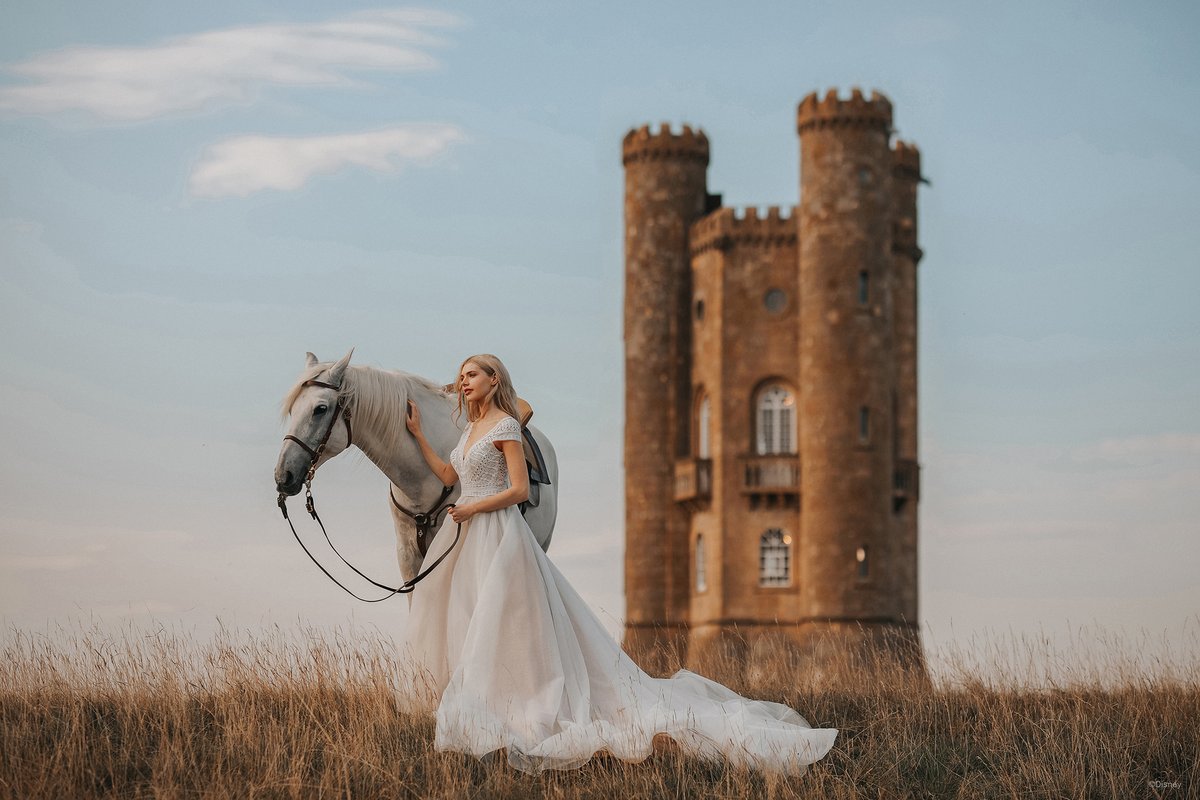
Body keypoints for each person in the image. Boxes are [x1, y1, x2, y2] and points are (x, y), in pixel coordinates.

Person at [401, 353, 838, 775]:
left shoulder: (505, 425)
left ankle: (519, 708)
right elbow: (449, 477)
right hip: (467, 536)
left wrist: (474, 508)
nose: (464, 381)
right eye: (462, 375)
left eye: (473, 374)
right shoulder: (470, 429)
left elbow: (519, 490)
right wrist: (418, 435)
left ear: (494, 379)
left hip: (498, 533)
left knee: (499, 620)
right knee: (468, 618)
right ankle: (483, 705)